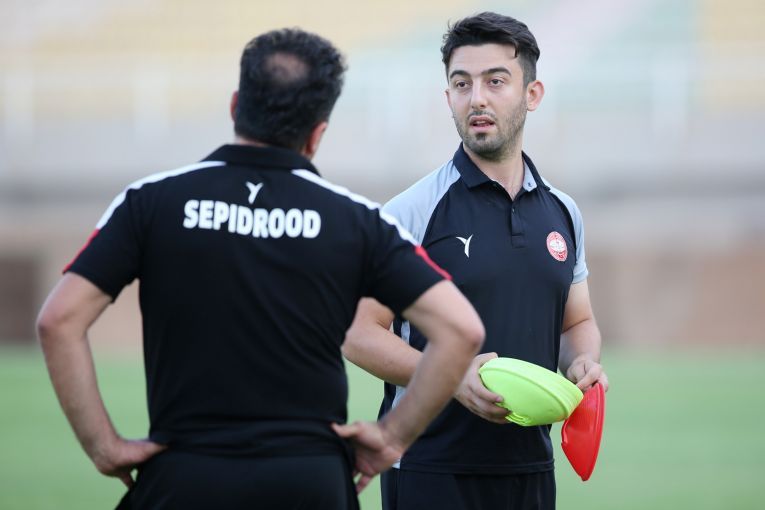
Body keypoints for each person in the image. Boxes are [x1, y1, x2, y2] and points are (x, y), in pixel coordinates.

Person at [36, 28, 485, 510]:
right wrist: (393, 437)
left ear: (235, 106)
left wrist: (103, 445)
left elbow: (58, 320)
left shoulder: (150, 202)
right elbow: (460, 331)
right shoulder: (357, 221)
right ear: (318, 133)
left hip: (184, 477)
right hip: (311, 483)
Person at [343, 12, 609, 510]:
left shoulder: (563, 213)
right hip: (429, 469)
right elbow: (357, 333)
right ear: (448, 98)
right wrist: (452, 376)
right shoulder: (411, 212)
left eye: (495, 81)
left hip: (531, 470)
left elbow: (577, 322)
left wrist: (582, 363)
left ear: (532, 94)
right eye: (462, 84)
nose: (477, 98)